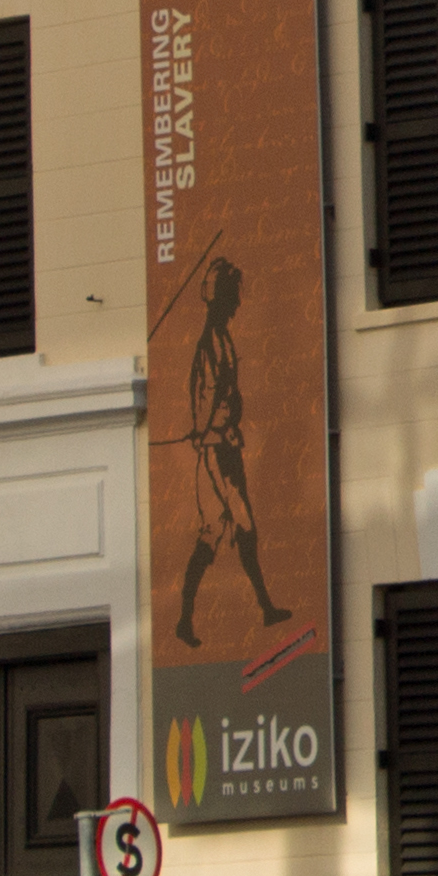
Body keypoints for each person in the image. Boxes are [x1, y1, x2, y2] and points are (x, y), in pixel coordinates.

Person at [169, 241, 287, 645]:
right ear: (222, 298)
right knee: (245, 527)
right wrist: (203, 430)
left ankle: (186, 620)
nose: (238, 302)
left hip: (223, 446)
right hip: (218, 451)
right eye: (233, 295)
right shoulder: (211, 343)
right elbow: (207, 393)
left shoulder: (219, 337)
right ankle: (266, 608)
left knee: (211, 536)